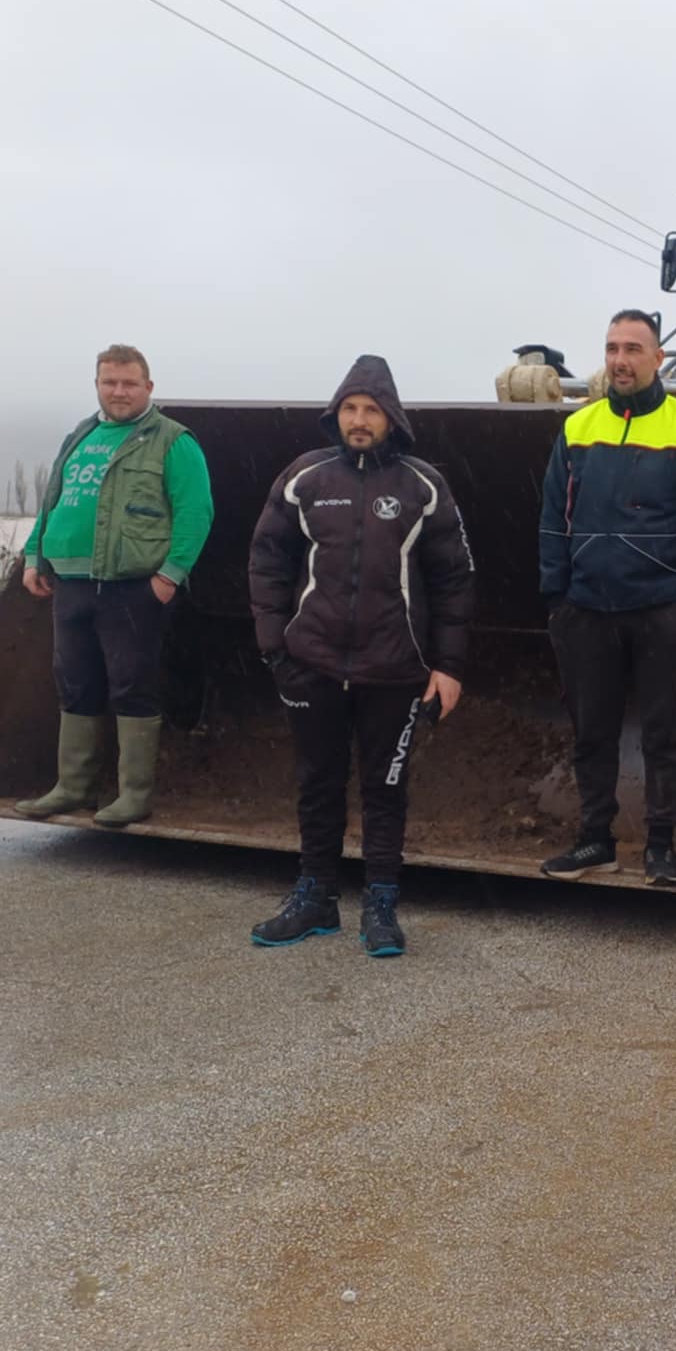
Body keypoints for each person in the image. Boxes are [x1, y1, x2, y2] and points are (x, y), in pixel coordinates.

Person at [245, 355, 475, 958]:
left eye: (371, 409)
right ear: (336, 415)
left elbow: (454, 581)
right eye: (350, 408)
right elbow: (267, 561)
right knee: (317, 783)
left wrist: (448, 668)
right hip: (311, 663)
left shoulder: (423, 486)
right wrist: (275, 645)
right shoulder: (304, 477)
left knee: (385, 788)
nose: (359, 419)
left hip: (396, 669)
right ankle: (316, 897)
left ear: (390, 418)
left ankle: (380, 903)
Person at [536, 310, 676, 886]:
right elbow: (553, 517)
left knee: (662, 733)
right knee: (591, 731)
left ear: (658, 359)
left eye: (632, 349)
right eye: (611, 348)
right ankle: (595, 839)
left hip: (660, 612)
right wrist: (558, 596)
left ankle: (661, 845)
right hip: (586, 611)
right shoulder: (578, 428)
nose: (620, 360)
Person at [17, 344, 213, 827]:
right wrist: (33, 554)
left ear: (149, 387)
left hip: (131, 587)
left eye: (129, 383)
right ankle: (73, 787)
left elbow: (196, 512)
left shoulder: (172, 441)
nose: (119, 391)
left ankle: (134, 795)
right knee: (76, 683)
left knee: (132, 686)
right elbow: (53, 500)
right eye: (110, 382)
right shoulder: (80, 436)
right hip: (72, 584)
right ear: (97, 385)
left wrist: (169, 577)